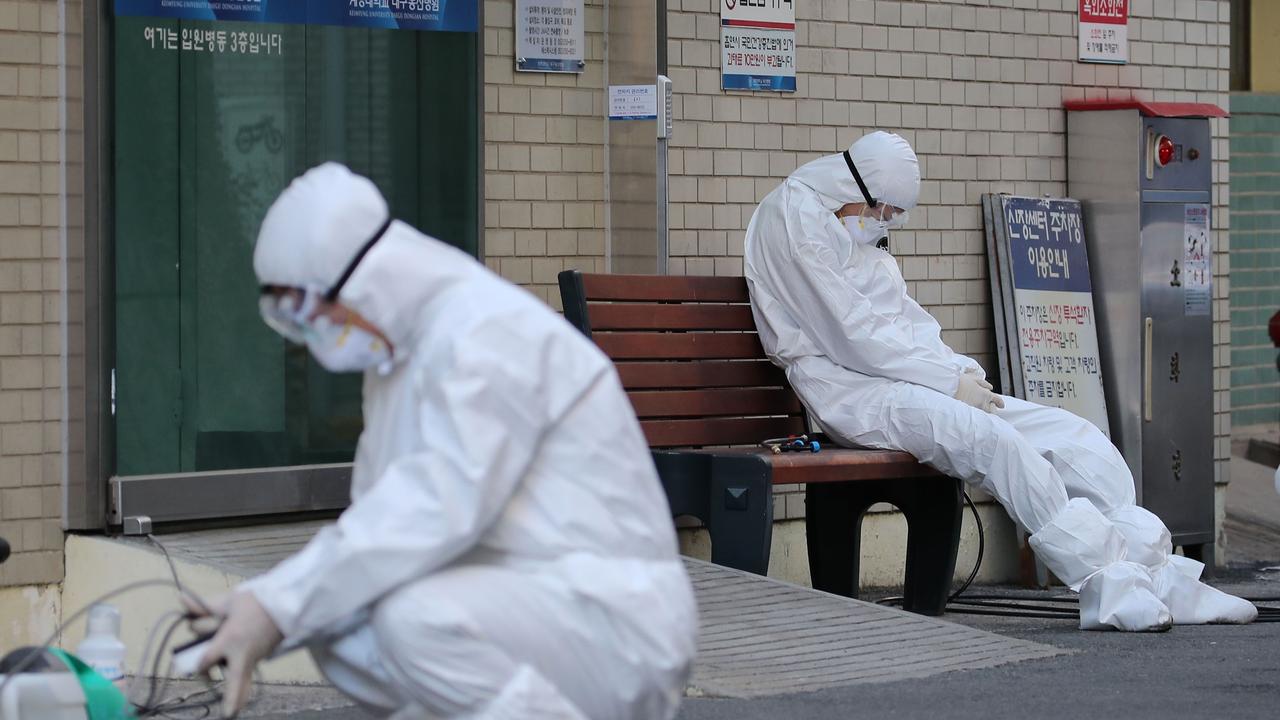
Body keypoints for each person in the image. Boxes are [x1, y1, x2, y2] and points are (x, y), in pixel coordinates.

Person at [185, 163, 698, 718]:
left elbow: (436, 507)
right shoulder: (396, 360)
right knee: (341, 627)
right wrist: (259, 615)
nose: (308, 335)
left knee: (413, 619)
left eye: (305, 311)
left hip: (612, 616)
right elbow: (379, 527)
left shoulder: (485, 331)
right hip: (522, 597)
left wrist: (277, 605)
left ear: (363, 281)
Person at [743, 131, 1256, 632]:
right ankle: (1107, 581)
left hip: (906, 379)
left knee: (1076, 439)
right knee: (995, 443)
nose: (887, 223)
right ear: (860, 189)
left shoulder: (856, 225)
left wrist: (960, 370)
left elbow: (898, 319)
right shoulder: (794, 222)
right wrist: (947, 380)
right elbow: (852, 334)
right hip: (848, 392)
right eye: (885, 211)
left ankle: (1158, 573)